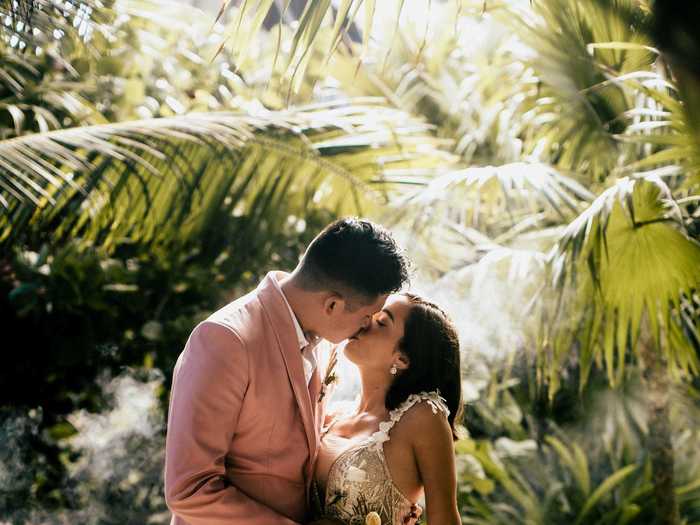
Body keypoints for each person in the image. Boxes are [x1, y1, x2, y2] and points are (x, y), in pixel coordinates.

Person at [164, 217, 412, 524]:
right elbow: (189, 490)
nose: (366, 326)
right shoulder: (224, 341)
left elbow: (305, 441)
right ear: (332, 305)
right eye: (366, 316)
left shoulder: (322, 337)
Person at [312, 293, 463, 525]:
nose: (365, 321)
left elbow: (445, 519)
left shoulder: (423, 417)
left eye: (381, 322)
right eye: (371, 314)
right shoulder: (333, 413)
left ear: (402, 359)